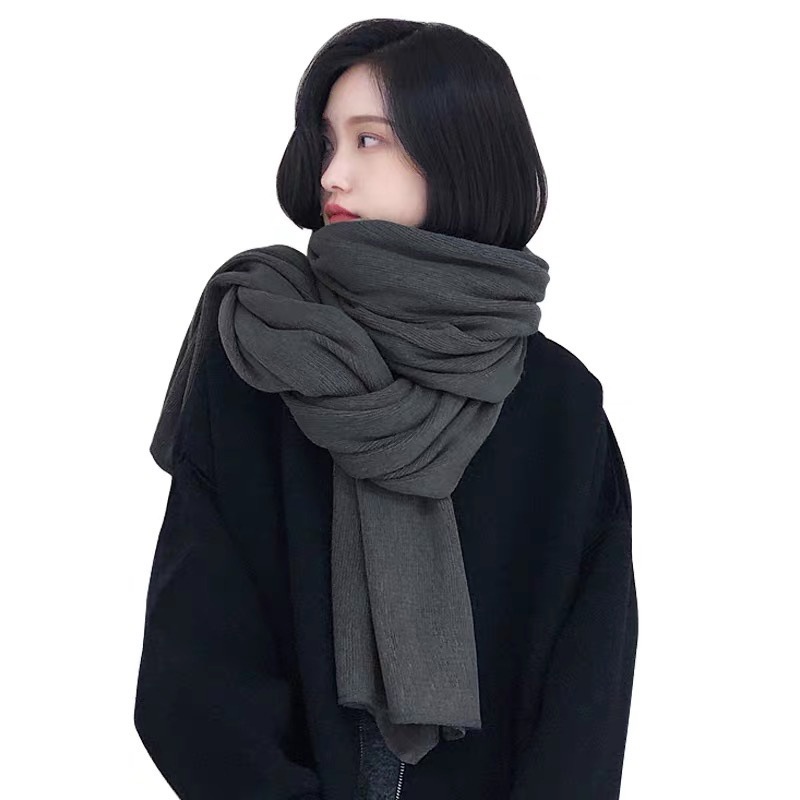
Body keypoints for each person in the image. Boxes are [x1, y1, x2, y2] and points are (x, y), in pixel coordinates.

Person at [133, 18, 638, 800]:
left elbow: (589, 694)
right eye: (327, 142)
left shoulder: (557, 405)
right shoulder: (264, 351)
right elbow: (192, 671)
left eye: (369, 140)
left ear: (460, 152)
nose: (332, 174)